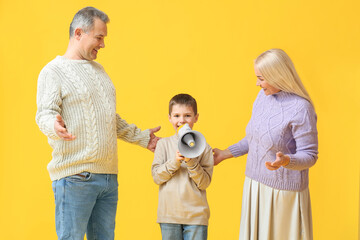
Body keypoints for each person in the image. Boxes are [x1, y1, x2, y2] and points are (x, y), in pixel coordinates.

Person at [35, 7, 160, 240]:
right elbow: (44, 113)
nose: (103, 44)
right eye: (99, 37)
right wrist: (54, 125)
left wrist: (143, 138)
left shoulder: (100, 71)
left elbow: (108, 118)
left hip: (108, 178)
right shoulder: (53, 71)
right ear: (79, 33)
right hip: (75, 178)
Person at [213, 49, 318, 240]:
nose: (257, 83)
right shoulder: (263, 97)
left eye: (261, 78)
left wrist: (286, 161)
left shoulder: (302, 108)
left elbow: (310, 156)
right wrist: (224, 154)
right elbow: (254, 139)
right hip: (254, 186)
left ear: (276, 76)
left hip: (283, 193)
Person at [151, 94, 214, 240]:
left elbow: (204, 183)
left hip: (196, 217)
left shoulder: (204, 148)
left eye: (187, 115)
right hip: (169, 216)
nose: (181, 120)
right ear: (169, 118)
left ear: (196, 117)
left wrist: (191, 162)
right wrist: (175, 162)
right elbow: (156, 177)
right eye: (177, 115)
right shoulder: (163, 144)